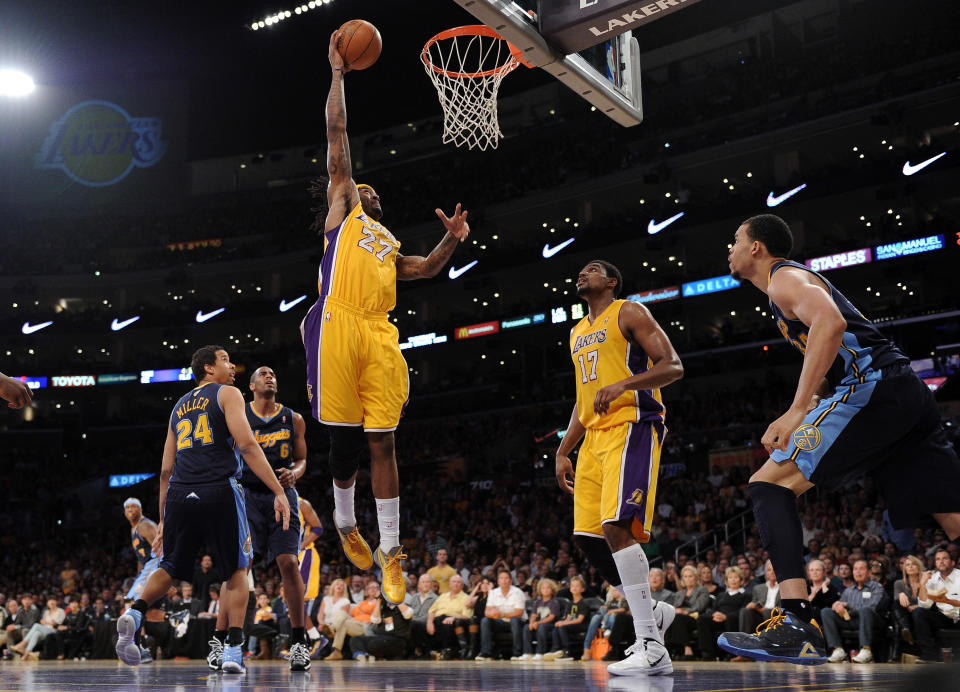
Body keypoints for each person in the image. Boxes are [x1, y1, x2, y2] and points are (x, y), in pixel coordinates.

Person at [718, 214, 960, 665]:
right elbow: (835, 342)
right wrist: (814, 403)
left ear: (756, 248)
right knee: (953, 521)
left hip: (875, 389)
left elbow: (830, 324)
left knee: (768, 485)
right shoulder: (786, 288)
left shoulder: (782, 278)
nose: (728, 249)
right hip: (902, 393)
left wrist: (796, 409)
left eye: (734, 240)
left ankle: (795, 624)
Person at [303, 29, 471, 606]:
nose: (366, 190)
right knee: (343, 445)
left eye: (372, 191)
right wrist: (338, 76)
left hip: (379, 332)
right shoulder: (343, 210)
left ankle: (392, 549)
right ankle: (346, 522)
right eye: (359, 187)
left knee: (385, 443)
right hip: (338, 322)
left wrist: (452, 241)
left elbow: (423, 270)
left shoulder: (388, 239)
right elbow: (337, 136)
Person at [114, 345, 291, 675]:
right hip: (219, 489)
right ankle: (233, 652)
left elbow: (166, 470)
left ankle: (136, 612)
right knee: (237, 571)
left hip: (180, 493)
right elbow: (248, 445)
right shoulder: (228, 393)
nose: (232, 366)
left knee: (169, 567)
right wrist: (278, 490)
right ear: (208, 368)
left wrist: (164, 519)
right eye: (225, 360)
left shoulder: (178, 407)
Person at [555, 259, 683, 676]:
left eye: (592, 270)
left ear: (611, 281)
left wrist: (625, 384)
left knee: (616, 527)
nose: (582, 274)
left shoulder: (629, 312)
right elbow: (583, 399)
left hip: (632, 426)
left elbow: (673, 366)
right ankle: (655, 612)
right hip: (592, 439)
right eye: (581, 270)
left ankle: (651, 644)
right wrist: (563, 450)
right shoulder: (576, 332)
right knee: (589, 538)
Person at [208, 364, 310, 671]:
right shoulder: (240, 414)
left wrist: (296, 472)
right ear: (251, 386)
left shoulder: (294, 418)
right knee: (237, 568)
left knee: (289, 563)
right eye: (264, 374)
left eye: (273, 374)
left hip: (281, 493)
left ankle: (299, 642)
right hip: (245, 496)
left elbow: (303, 459)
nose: (271, 377)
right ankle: (221, 638)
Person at [821, 559, 887, 663]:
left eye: (861, 569)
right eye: (855, 569)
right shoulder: (849, 590)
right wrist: (837, 605)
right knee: (826, 611)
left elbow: (872, 607)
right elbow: (842, 607)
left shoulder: (876, 587)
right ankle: (838, 650)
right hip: (852, 620)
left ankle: (866, 650)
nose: (858, 572)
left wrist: (848, 605)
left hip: (871, 621)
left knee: (865, 610)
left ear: (869, 572)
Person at [915, 548, 960, 661]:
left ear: (953, 562)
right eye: (938, 559)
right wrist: (922, 584)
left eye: (944, 558)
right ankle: (929, 655)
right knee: (919, 612)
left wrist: (948, 601)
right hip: (944, 617)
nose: (941, 561)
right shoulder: (932, 578)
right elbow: (925, 605)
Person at [698, 566, 752, 661]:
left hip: (733, 619)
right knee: (702, 618)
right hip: (719, 619)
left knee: (731, 618)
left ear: (741, 580)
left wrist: (725, 616)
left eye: (736, 577)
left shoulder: (746, 595)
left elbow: (743, 610)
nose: (733, 580)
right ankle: (708, 653)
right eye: (730, 578)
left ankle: (731, 653)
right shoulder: (721, 595)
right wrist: (715, 614)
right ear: (726, 580)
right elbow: (713, 609)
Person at [297, 496, 326, 655]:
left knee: (296, 600)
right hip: (291, 556)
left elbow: (318, 528)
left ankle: (311, 640)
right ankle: (310, 640)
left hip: (305, 554)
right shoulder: (275, 501)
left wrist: (300, 546)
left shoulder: (301, 503)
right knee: (292, 602)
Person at [476, 570, 527, 661]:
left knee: (514, 620)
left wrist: (502, 614)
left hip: (518, 622)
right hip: (500, 622)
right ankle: (486, 653)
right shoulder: (493, 593)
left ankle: (517, 653)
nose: (504, 580)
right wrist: (493, 614)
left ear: (511, 581)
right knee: (485, 620)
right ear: (498, 581)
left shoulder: (517, 592)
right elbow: (487, 612)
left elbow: (519, 612)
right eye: (501, 578)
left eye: (506, 578)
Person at [426, 574, 474, 659]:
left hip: (453, 620)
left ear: (462, 585)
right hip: (437, 619)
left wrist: (454, 618)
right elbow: (432, 611)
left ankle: (447, 650)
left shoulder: (466, 598)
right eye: (453, 582)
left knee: (447, 624)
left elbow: (467, 616)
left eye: (458, 582)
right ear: (449, 584)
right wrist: (429, 623)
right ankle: (425, 651)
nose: (456, 584)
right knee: (421, 625)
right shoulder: (443, 596)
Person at [516, 578, 561, 661]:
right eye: (543, 588)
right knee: (526, 628)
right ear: (540, 590)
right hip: (539, 623)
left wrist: (538, 623)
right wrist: (531, 623)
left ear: (552, 590)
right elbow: (533, 615)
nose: (546, 590)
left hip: (550, 624)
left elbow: (551, 617)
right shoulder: (537, 602)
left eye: (548, 588)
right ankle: (527, 653)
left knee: (542, 627)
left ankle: (540, 652)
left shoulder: (554, 602)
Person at [893, 554, 923, 647]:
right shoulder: (899, 583)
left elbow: (929, 601)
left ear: (919, 567)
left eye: (913, 564)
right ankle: (906, 629)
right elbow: (896, 600)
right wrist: (900, 594)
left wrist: (918, 606)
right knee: (896, 603)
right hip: (905, 613)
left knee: (919, 612)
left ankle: (906, 630)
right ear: (904, 569)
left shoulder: (925, 582)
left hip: (921, 613)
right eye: (907, 565)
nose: (910, 567)